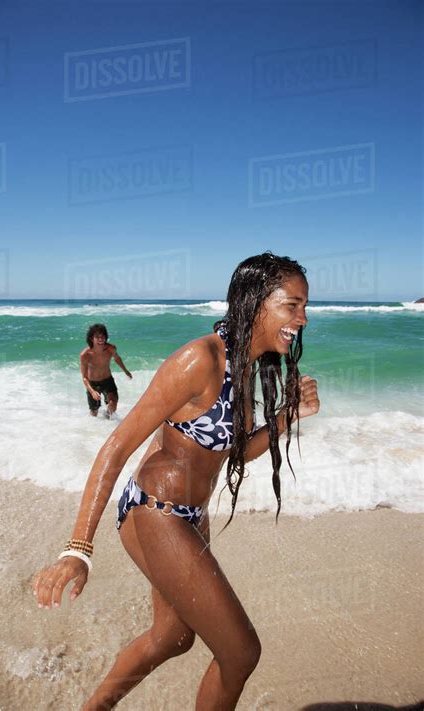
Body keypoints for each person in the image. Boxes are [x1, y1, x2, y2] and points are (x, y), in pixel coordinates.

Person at [32, 252, 320, 710]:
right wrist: (77, 550)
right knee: (241, 653)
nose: (302, 319)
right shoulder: (200, 360)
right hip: (156, 510)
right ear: (257, 303)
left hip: (188, 516)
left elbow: (234, 451)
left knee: (173, 637)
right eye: (293, 305)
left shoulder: (245, 364)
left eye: (305, 306)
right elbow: (117, 445)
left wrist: (286, 417)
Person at [80, 324, 132, 418]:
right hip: (93, 384)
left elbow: (117, 358)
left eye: (103, 336)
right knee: (94, 413)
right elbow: (84, 377)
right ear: (92, 338)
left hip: (108, 380)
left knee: (113, 404)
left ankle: (108, 421)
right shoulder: (85, 355)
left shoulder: (110, 349)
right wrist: (92, 392)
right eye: (97, 337)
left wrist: (126, 371)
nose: (101, 339)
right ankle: (96, 427)